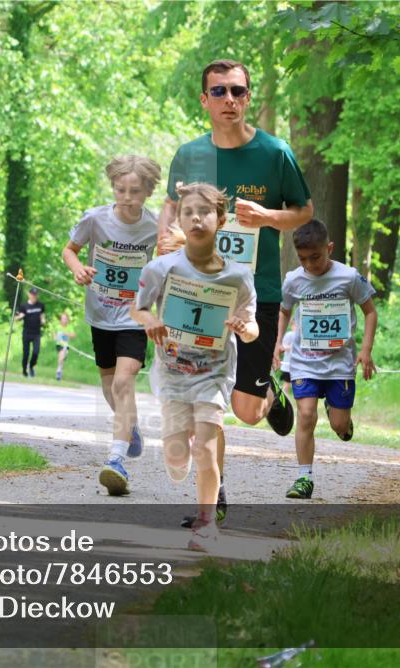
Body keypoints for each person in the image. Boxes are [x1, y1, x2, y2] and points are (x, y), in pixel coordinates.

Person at [158, 59, 313, 520]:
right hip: (198, 293)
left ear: (249, 98)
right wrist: (163, 243)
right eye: (219, 91)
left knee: (246, 410)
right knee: (205, 395)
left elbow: (303, 211)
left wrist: (267, 217)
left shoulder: (275, 152)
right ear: (204, 100)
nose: (229, 99)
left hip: (255, 292)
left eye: (238, 91)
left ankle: (270, 395)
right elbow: (170, 207)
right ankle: (215, 499)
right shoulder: (190, 155)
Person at [132, 182, 257, 548]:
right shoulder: (162, 268)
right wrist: (149, 321)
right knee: (176, 457)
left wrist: (244, 328)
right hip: (173, 374)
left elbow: (252, 328)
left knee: (205, 449)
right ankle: (180, 450)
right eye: (188, 212)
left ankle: (207, 524)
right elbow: (138, 308)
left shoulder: (238, 276)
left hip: (213, 375)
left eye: (204, 212)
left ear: (221, 220)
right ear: (181, 220)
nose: (196, 219)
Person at [62, 154, 160, 495]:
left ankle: (116, 460)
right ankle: (129, 427)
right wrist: (78, 269)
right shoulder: (95, 219)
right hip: (101, 314)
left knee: (123, 381)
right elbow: (70, 250)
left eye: (135, 191)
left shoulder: (155, 226)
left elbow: (168, 264)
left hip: (135, 315)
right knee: (109, 387)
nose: (127, 197)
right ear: (113, 187)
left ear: (148, 191)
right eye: (121, 190)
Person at [275, 219, 377, 500]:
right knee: (306, 414)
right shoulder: (294, 280)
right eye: (303, 258)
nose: (310, 264)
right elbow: (284, 311)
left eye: (316, 257)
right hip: (304, 362)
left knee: (340, 427)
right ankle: (304, 478)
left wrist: (366, 350)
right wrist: (277, 342)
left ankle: (337, 412)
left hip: (339, 364)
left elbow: (370, 312)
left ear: (329, 248)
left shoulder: (349, 277)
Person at [15, 287, 45, 377]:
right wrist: (20, 317)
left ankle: (31, 366)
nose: (34, 296)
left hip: (36, 333)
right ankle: (24, 370)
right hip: (27, 333)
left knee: (36, 352)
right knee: (26, 353)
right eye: (32, 294)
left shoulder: (40, 305)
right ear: (29, 295)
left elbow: (42, 316)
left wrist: (43, 321)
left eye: (35, 295)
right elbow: (16, 318)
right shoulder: (24, 306)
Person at [53, 312, 76, 381]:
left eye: (65, 319)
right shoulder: (57, 327)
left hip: (66, 345)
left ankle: (59, 371)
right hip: (59, 345)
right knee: (61, 355)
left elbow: (73, 335)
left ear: (67, 320)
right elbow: (54, 335)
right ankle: (59, 370)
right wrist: (55, 337)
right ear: (60, 320)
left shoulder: (69, 327)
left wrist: (66, 333)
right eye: (63, 319)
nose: (64, 320)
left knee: (62, 358)